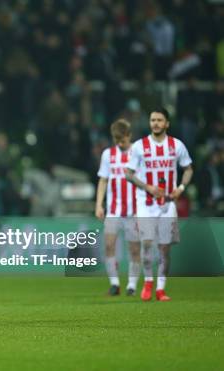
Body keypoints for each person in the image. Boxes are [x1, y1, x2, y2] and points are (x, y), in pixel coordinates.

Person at [125, 108, 193, 301]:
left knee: (164, 248)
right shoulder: (139, 146)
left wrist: (180, 188)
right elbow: (128, 173)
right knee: (146, 245)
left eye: (159, 120)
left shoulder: (176, 145)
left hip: (168, 204)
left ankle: (161, 288)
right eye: (153, 120)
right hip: (145, 203)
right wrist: (148, 186)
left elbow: (188, 169)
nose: (155, 123)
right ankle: (148, 281)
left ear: (167, 123)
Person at [95, 119, 141, 296]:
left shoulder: (138, 153)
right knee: (108, 245)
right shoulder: (108, 155)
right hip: (113, 210)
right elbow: (103, 179)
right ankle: (114, 284)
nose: (119, 143)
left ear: (129, 135)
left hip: (134, 211)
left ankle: (131, 285)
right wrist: (99, 204)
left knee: (134, 249)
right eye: (116, 140)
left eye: (122, 139)